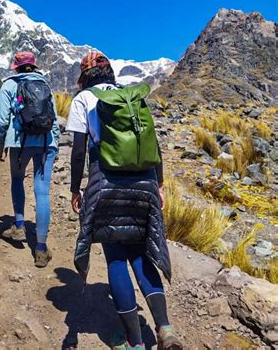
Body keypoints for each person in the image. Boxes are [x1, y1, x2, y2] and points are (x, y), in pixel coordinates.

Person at [66, 52, 183, 350]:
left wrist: (75, 189)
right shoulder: (131, 97)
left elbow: (78, 150)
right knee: (142, 254)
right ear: (109, 73)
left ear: (85, 76)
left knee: (116, 258)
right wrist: (158, 184)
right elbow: (153, 144)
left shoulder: (82, 100)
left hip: (106, 184)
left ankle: (134, 342)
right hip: (143, 182)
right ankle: (165, 329)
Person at [0, 51, 60, 268]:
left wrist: (0, 144)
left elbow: (3, 119)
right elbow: (55, 118)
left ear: (16, 67)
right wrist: (55, 145)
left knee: (17, 180)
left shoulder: (9, 85)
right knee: (42, 192)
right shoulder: (45, 85)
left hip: (20, 143)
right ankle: (41, 249)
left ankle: (20, 225)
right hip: (45, 143)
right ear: (33, 66)